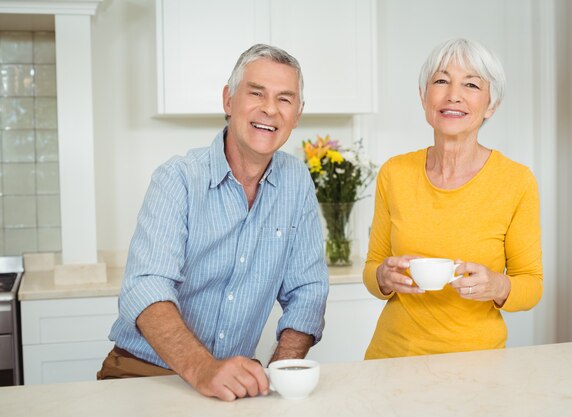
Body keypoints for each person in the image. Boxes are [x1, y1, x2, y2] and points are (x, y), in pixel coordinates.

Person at [98, 44, 329, 401]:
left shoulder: (297, 183)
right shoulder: (177, 179)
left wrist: (280, 372)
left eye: (285, 99)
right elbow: (146, 288)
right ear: (228, 100)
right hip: (143, 372)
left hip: (232, 382)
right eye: (256, 93)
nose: (270, 109)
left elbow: (308, 293)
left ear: (297, 114)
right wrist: (203, 369)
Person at [363, 38, 543, 359]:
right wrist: (382, 277)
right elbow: (373, 267)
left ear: (491, 104)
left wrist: (497, 286)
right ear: (424, 96)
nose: (453, 95)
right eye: (441, 81)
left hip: (478, 361)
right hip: (392, 357)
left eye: (471, 84)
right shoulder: (395, 173)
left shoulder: (516, 181)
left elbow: (531, 285)